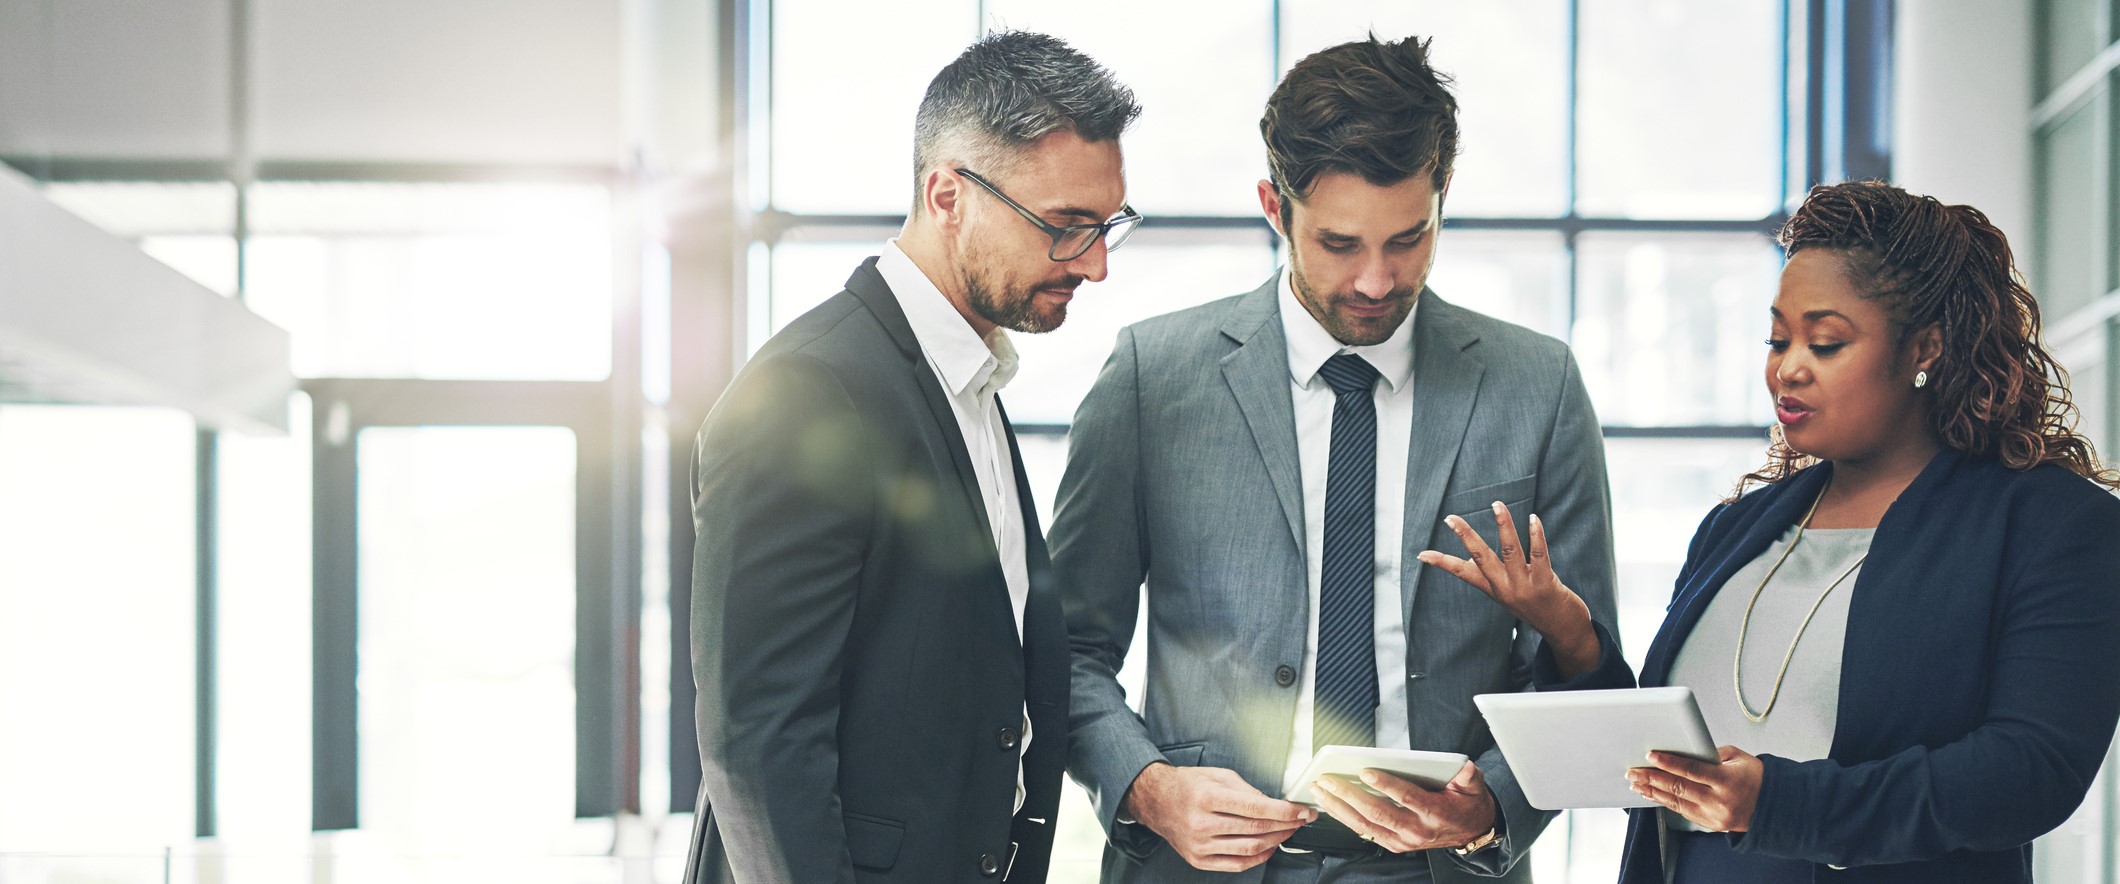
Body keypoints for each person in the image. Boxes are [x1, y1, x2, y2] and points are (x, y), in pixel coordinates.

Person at [1053, 34, 1630, 884]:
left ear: (1441, 202)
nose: (1373, 280)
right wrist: (1146, 787)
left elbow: (1588, 665)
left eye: (1408, 240)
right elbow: (1065, 648)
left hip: (1443, 869)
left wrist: (1499, 802)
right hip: (1206, 865)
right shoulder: (1152, 377)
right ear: (1273, 207)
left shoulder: (1535, 385)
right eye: (1337, 243)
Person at [1427, 180, 2120, 883]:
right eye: (1777, 338)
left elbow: (2032, 772)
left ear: (1926, 349)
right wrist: (1570, 635)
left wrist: (1778, 802)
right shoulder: (1736, 530)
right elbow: (1654, 767)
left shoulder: (2052, 526)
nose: (1787, 368)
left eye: (1825, 343)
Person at [680, 31, 1141, 884]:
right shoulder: (806, 393)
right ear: (948, 195)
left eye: (1108, 226)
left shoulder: (969, 383)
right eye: (1066, 228)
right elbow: (758, 745)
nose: (1097, 264)